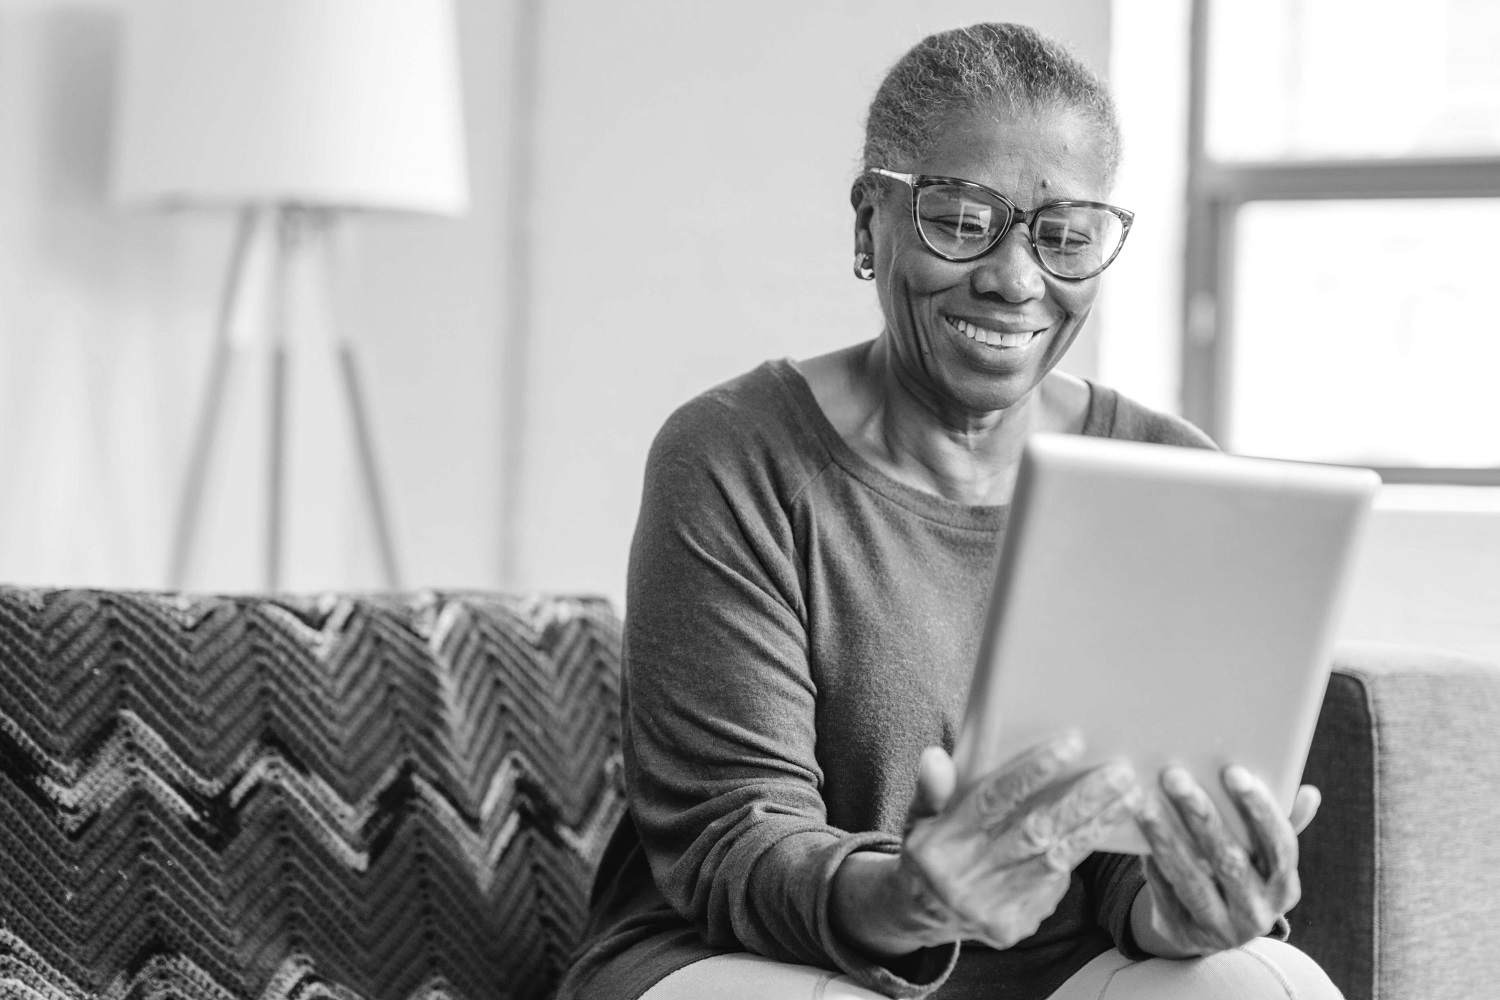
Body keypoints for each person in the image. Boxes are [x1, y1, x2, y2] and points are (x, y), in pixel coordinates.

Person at [557, 22, 1342, 1000]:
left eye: (1066, 235)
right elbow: (734, 839)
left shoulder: (1163, 472)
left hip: (1056, 974)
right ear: (868, 221)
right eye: (962, 218)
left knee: (1267, 981)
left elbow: (1123, 848)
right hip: (758, 962)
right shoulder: (736, 453)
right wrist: (912, 897)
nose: (1016, 279)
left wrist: (1177, 907)